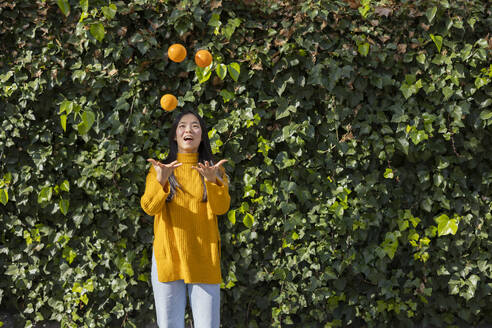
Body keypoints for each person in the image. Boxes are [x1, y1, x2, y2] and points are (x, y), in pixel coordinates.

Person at [140, 110, 230, 328]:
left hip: (204, 257)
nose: (188, 130)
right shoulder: (160, 170)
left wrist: (211, 181)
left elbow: (221, 208)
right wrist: (161, 181)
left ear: (202, 136)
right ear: (174, 135)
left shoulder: (214, 170)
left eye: (195, 126)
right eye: (182, 125)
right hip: (168, 257)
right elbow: (149, 208)